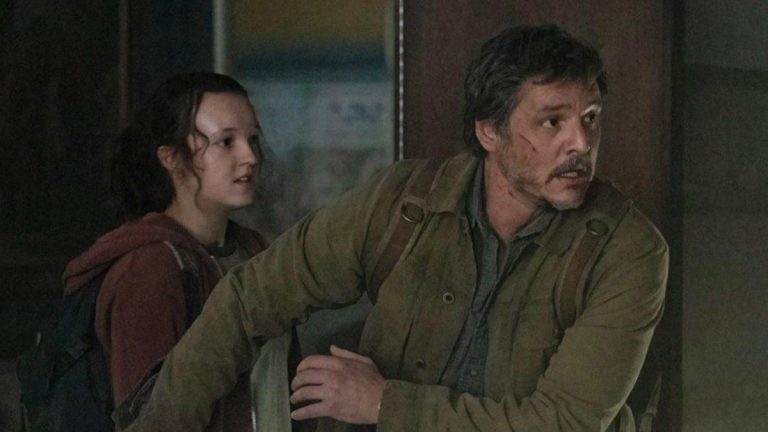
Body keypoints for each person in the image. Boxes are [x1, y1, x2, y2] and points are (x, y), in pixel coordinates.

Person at [124, 24, 669, 432]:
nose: (581, 143)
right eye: (553, 121)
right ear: (489, 132)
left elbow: (565, 424)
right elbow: (249, 299)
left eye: (590, 118)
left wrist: (384, 402)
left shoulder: (628, 251)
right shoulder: (404, 203)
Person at [62, 72, 283, 431]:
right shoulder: (150, 268)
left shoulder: (253, 251)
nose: (250, 156)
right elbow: (151, 419)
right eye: (226, 142)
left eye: (253, 139)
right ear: (171, 157)